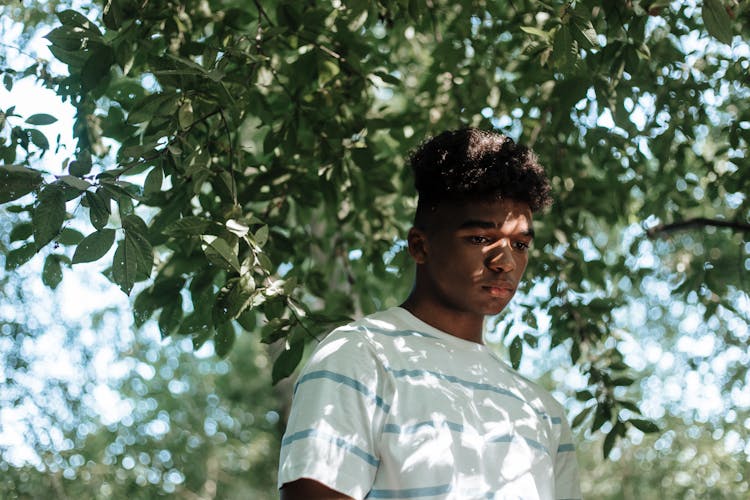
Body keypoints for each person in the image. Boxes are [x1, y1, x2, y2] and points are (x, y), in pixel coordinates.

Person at [278, 128, 581, 500]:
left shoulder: (541, 410)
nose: (505, 261)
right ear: (420, 246)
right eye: (480, 239)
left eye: (520, 244)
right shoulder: (360, 358)